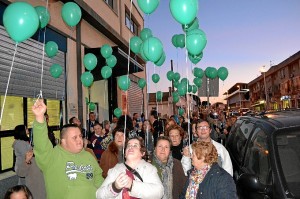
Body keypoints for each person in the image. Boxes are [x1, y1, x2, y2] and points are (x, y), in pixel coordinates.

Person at [31, 99, 103, 199]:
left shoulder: (88, 156)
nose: (79, 140)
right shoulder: (52, 157)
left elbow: (99, 180)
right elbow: (41, 145)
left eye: (80, 136)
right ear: (63, 141)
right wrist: (39, 117)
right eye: (74, 138)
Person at [96, 137, 164, 199]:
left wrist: (132, 185)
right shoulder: (115, 170)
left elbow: (159, 193)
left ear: (142, 153)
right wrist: (114, 187)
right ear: (125, 154)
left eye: (135, 145)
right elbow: (99, 195)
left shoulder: (149, 169)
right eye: (128, 145)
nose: (131, 147)